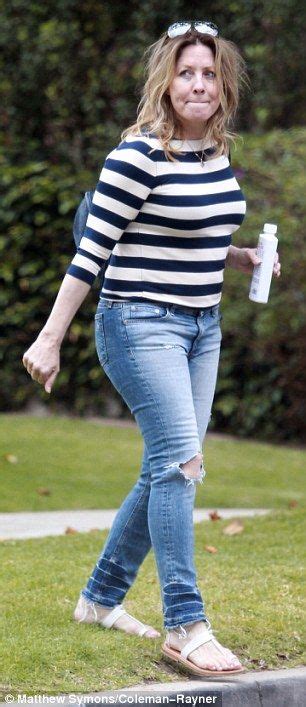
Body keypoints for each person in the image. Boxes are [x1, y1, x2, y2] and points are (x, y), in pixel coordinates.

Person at [22, 20, 281, 677]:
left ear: (224, 86)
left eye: (209, 73)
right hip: (138, 324)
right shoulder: (136, 155)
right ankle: (186, 625)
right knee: (179, 463)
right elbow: (93, 254)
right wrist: (50, 338)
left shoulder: (216, 154)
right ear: (166, 84)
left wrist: (243, 253)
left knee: (169, 467)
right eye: (186, 72)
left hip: (202, 328)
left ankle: (101, 597)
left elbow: (184, 234)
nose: (199, 83)